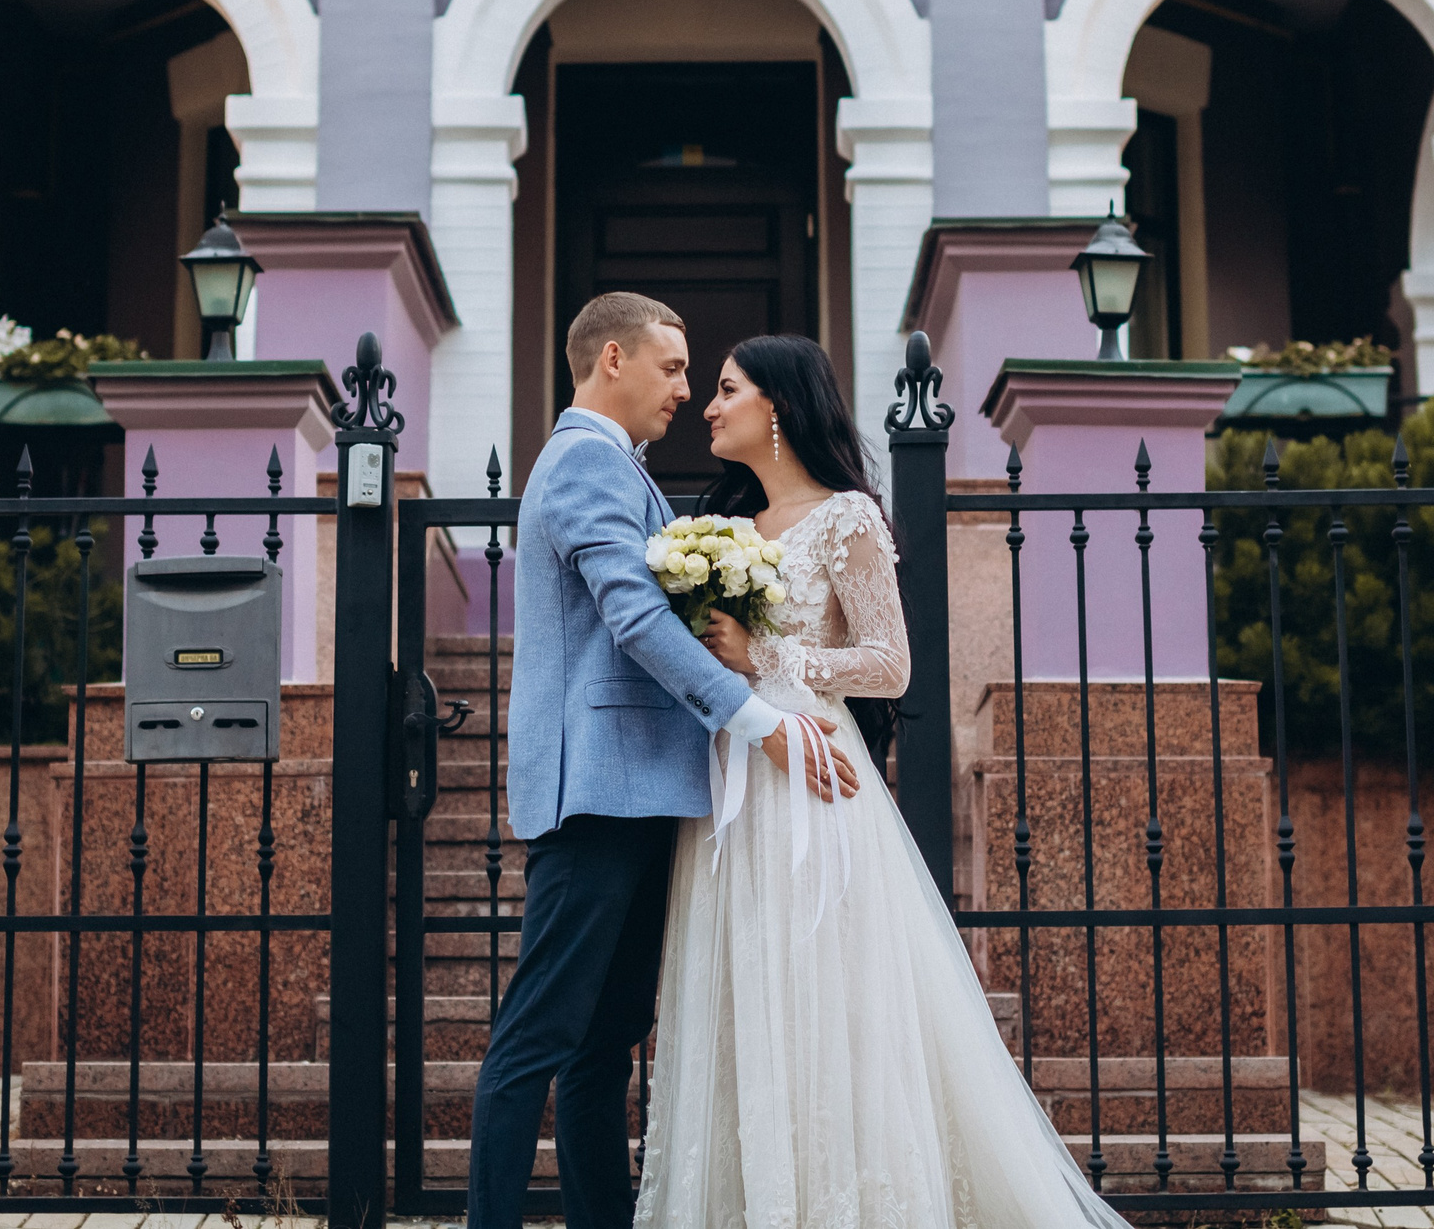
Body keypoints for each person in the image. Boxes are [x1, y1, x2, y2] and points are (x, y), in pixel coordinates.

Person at [635, 333, 1129, 1229]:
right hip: (731, 781)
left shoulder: (848, 518)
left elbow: (890, 664)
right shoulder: (725, 535)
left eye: (727, 389)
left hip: (816, 777)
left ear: (777, 405)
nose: (709, 406)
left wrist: (768, 651)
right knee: (743, 982)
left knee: (825, 985)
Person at [466, 294, 859, 1229]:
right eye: (674, 367)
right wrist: (756, 718)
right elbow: (636, 618)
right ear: (613, 359)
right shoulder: (584, 464)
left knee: (603, 1048)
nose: (687, 389)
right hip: (598, 794)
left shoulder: (616, 467)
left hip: (642, 793)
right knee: (537, 1038)